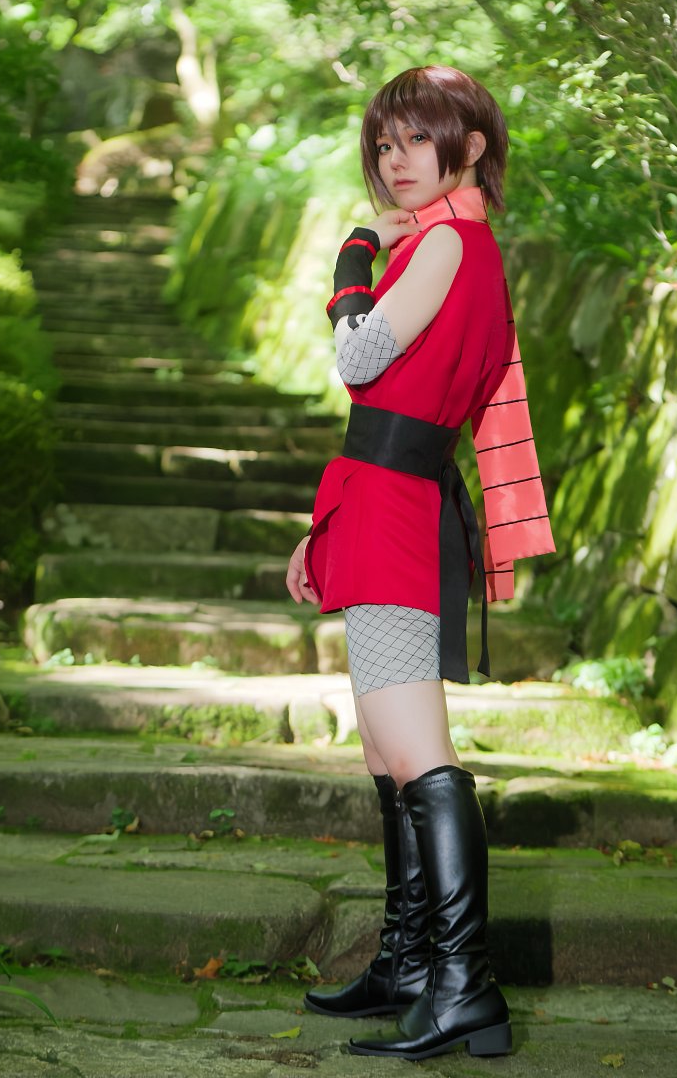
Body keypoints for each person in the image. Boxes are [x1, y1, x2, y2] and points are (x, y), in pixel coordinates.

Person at [285, 65, 555, 1061]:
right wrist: (324, 528)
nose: (395, 160)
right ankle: (409, 964)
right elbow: (391, 407)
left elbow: (358, 360)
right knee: (382, 754)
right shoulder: (457, 245)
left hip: (399, 512)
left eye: (415, 140)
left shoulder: (445, 243)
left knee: (419, 758)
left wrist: (354, 253)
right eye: (384, 144)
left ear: (470, 147)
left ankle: (462, 985)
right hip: (386, 501)